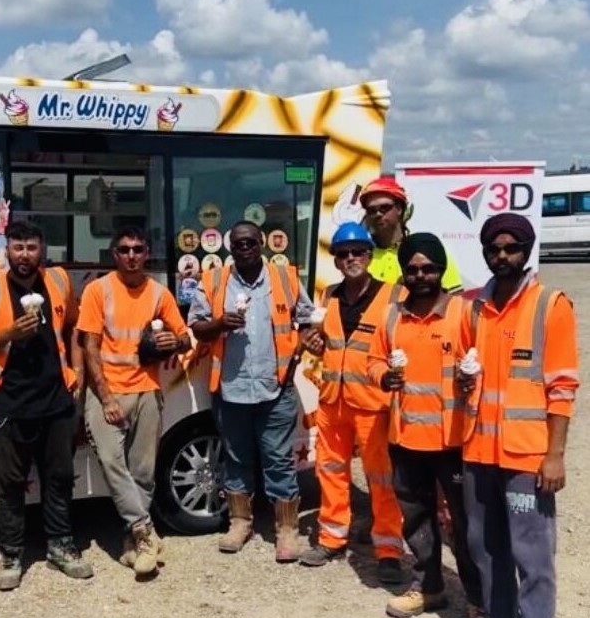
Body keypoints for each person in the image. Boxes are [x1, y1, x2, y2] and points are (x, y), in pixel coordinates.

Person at [448, 213, 578, 618]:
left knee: (533, 559)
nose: (502, 255)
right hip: (480, 449)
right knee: (486, 547)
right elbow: (466, 370)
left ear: (526, 250)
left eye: (511, 247)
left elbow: (562, 387)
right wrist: (463, 381)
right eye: (494, 248)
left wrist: (555, 455)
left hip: (528, 458)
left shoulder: (551, 306)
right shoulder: (474, 308)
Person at [0, 221, 92, 590]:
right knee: (9, 483)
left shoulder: (59, 282)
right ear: (6, 250)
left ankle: (60, 546)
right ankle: (12, 553)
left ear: (42, 249)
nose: (24, 255)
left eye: (31, 247)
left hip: (54, 398)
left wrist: (77, 372)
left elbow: (72, 327)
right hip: (5, 401)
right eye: (17, 247)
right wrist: (9, 334)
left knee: (59, 478)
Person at [367, 233, 483, 618]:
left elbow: (482, 365)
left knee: (466, 526)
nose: (420, 276)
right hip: (405, 439)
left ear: (440, 270)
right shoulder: (393, 315)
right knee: (416, 519)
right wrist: (384, 377)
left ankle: (479, 600)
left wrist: (473, 381)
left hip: (453, 441)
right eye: (412, 269)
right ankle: (429, 587)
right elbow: (373, 361)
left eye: (428, 268)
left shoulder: (463, 313)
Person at [189, 220, 319, 563]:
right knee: (236, 458)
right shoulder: (215, 281)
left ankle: (287, 530)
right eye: (238, 244)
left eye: (250, 243)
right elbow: (198, 326)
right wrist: (219, 324)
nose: (244, 248)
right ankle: (240, 522)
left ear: (261, 243)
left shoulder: (285, 278)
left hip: (274, 389)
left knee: (278, 460)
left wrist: (299, 352)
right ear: (230, 247)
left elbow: (307, 318)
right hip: (231, 390)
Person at [78, 226, 190, 577]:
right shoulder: (98, 290)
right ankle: (144, 531)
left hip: (146, 389)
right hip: (107, 393)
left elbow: (185, 337)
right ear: (114, 254)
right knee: (113, 463)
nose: (131, 256)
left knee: (142, 471)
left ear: (147, 254)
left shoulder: (159, 293)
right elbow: (90, 347)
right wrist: (106, 398)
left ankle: (132, 543)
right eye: (124, 249)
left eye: (138, 249)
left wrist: (174, 342)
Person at [298, 222, 406, 585]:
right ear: (336, 260)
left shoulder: (393, 296)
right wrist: (311, 341)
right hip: (332, 401)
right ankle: (331, 538)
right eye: (343, 254)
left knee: (381, 478)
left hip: (373, 404)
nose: (350, 259)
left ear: (369, 254)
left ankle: (389, 551)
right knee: (330, 472)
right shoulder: (328, 295)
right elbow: (318, 337)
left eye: (357, 251)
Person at [358, 177, 463, 293]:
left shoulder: (428, 250)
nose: (378, 214)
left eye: (384, 208)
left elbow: (456, 299)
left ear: (399, 209)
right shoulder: (360, 255)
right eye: (371, 210)